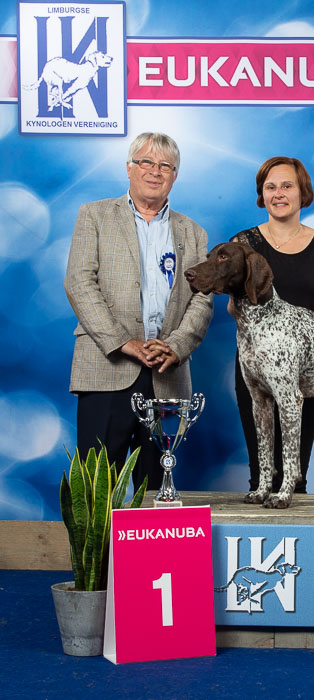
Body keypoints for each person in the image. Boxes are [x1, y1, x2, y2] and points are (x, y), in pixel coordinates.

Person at [64, 132, 213, 489]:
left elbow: (203, 298)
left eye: (165, 166)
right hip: (106, 367)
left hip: (167, 373)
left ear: (175, 175)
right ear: (129, 167)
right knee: (98, 489)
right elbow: (79, 282)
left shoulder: (194, 233)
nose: (155, 171)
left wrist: (176, 346)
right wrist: (123, 342)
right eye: (146, 162)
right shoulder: (94, 215)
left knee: (156, 486)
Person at [232, 156, 314, 494]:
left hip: (309, 367)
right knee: (261, 477)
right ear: (262, 195)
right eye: (270, 187)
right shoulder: (242, 245)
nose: (278, 193)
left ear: (302, 192)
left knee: (295, 478)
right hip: (255, 364)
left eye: (286, 186)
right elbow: (234, 308)